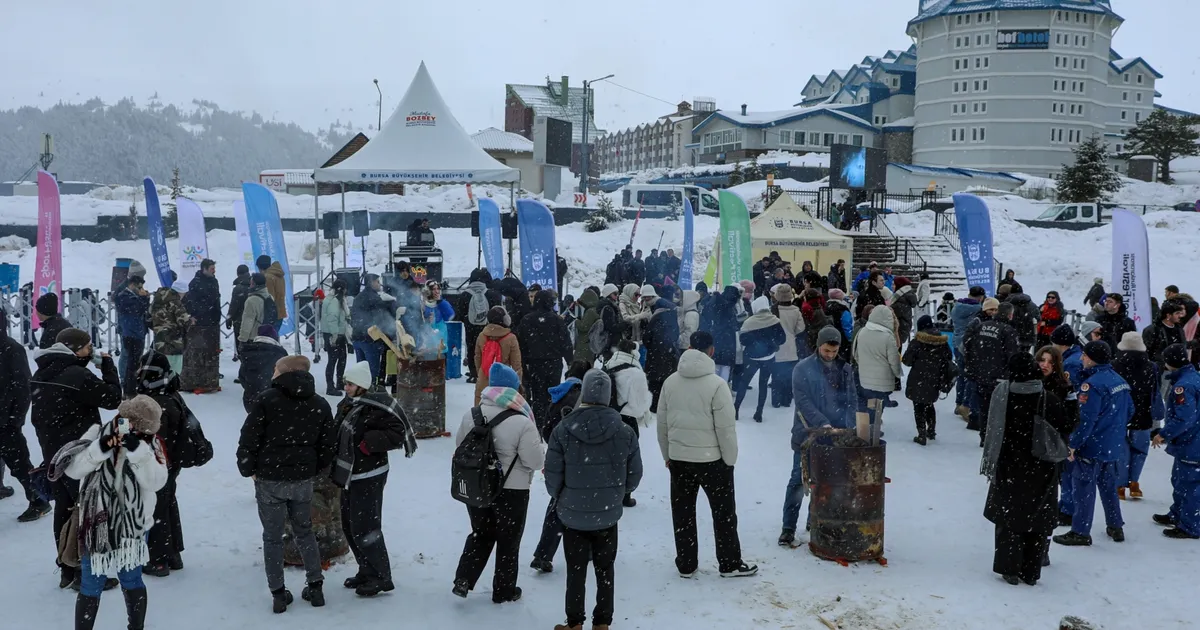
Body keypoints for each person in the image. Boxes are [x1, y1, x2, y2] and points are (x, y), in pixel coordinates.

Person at [56, 395, 168, 630]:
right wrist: (101, 447)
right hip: (96, 524)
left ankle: (136, 627)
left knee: (131, 579)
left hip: (134, 527)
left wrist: (139, 452)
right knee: (91, 582)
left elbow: (156, 481)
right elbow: (74, 471)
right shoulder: (97, 432)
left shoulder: (151, 443)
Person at [236, 354, 336, 612]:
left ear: (284, 372)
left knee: (272, 537)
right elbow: (328, 446)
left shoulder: (266, 400)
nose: (272, 374)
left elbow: (249, 439)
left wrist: (248, 469)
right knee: (305, 532)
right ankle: (316, 587)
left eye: (276, 369)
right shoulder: (320, 404)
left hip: (270, 479)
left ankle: (278, 594)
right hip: (302, 480)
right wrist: (312, 468)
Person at [545, 369, 643, 630]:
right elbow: (634, 476)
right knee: (605, 569)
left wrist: (563, 496)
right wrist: (617, 494)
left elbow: (553, 476)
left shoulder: (563, 429)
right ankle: (602, 623)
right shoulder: (624, 431)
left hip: (572, 514)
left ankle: (575, 623)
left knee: (575, 571)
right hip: (608, 514)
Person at [657, 331, 756, 578]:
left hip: (679, 459)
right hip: (712, 461)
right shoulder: (717, 385)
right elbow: (726, 429)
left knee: (683, 513)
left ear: (689, 348)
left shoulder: (670, 382)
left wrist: (667, 454)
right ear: (711, 351)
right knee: (723, 513)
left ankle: (686, 563)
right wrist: (729, 460)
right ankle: (729, 562)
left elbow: (662, 425)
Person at [31, 328, 122, 589]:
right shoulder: (77, 375)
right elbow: (113, 398)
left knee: (64, 507)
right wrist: (108, 368)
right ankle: (86, 574)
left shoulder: (43, 372)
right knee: (87, 510)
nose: (90, 351)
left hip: (53, 453)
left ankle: (66, 569)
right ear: (76, 350)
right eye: (87, 347)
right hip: (80, 453)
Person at [452, 363, 543, 602]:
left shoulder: (471, 415)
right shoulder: (522, 421)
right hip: (512, 491)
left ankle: (464, 578)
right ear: (514, 389)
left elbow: (460, 446)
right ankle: (503, 590)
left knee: (481, 533)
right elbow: (534, 461)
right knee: (508, 540)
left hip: (478, 486)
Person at [981, 354, 1072, 586]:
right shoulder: (1048, 399)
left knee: (1009, 518)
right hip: (1041, 466)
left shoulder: (1002, 395)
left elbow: (989, 426)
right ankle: (1031, 570)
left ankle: (1009, 567)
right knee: (1037, 517)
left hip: (1009, 465)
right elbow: (1067, 424)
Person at [333, 361, 417, 596]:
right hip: (350, 474)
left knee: (366, 527)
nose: (346, 388)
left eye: (349, 384)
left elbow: (397, 433)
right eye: (345, 383)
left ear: (360, 385)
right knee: (350, 524)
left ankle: (381, 576)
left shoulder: (378, 406)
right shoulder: (349, 403)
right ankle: (366, 569)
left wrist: (368, 444)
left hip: (369, 474)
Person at [782, 327, 857, 546]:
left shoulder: (845, 369)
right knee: (798, 480)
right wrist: (822, 422)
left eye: (834, 352)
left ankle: (814, 519)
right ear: (819, 346)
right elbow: (803, 402)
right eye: (826, 351)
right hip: (808, 434)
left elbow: (851, 399)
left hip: (837, 436)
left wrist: (850, 425)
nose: (830, 355)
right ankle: (788, 527)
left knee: (826, 481)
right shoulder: (802, 368)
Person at [1054, 341, 1132, 547]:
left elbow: (1086, 420)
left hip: (1093, 446)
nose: (1081, 358)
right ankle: (1115, 525)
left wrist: (1073, 444)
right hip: (1113, 445)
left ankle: (1080, 531)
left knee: (1084, 489)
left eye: (1085, 355)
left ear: (1092, 357)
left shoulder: (1093, 385)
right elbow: (1130, 411)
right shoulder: (1120, 381)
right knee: (1108, 487)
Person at [530, 361, 591, 574]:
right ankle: (590, 550)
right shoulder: (587, 398)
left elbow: (546, 429)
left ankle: (543, 554)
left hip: (562, 459)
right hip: (585, 460)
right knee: (590, 502)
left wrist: (558, 449)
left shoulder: (559, 395)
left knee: (557, 505)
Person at [135, 352, 189, 577]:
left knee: (156, 508)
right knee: (167, 504)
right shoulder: (171, 393)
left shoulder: (152, 401)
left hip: (158, 463)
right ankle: (173, 553)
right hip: (172, 461)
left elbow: (151, 436)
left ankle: (158, 559)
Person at [0, 307, 45, 522]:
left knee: (19, 462)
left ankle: (39, 500)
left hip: (5, 419)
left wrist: (14, 419)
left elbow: (23, 388)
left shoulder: (11, 349)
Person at [1152, 344, 1200, 539]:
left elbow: (1184, 417)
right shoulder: (1193, 378)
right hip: (1191, 442)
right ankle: (1178, 514)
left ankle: (1190, 525)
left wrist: (1164, 434)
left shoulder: (1183, 386)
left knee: (1189, 484)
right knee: (1180, 479)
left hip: (1192, 443)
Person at [1112, 332, 1163, 500]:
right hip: (1144, 413)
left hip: (1120, 412)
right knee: (1140, 450)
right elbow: (1156, 391)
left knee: (1120, 448)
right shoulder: (1152, 366)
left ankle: (1119, 485)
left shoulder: (1114, 365)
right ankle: (1134, 483)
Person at [603, 339, 652, 507]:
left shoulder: (607, 365)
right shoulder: (636, 373)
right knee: (627, 459)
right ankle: (625, 495)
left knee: (606, 457)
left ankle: (604, 490)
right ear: (634, 352)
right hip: (627, 420)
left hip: (608, 417)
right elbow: (639, 406)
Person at [963, 300, 1020, 443]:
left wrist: (973, 367)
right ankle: (994, 437)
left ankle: (984, 435)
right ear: (1009, 315)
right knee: (998, 409)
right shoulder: (1008, 331)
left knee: (984, 406)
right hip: (999, 376)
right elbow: (1012, 356)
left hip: (981, 373)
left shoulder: (981, 326)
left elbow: (969, 346)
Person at [517, 290, 574, 431]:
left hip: (534, 364)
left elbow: (521, 345)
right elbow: (566, 343)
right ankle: (551, 423)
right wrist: (570, 362)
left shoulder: (527, 319)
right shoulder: (556, 320)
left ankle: (538, 425)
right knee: (553, 394)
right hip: (554, 363)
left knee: (537, 396)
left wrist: (523, 364)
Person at [903, 315, 956, 445]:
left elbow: (907, 361)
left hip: (918, 378)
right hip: (935, 378)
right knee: (929, 404)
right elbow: (949, 358)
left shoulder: (917, 341)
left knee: (918, 406)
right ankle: (931, 430)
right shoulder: (942, 341)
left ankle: (921, 434)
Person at [853, 305, 903, 442]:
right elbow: (894, 360)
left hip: (864, 378)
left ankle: (863, 430)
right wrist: (897, 374)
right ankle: (874, 431)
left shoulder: (862, 332)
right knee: (876, 406)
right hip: (882, 380)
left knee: (864, 404)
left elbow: (856, 355)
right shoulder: (888, 337)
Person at [734, 296, 785, 423]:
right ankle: (759, 412)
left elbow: (743, 340)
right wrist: (771, 343)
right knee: (763, 384)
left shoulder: (749, 321)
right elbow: (782, 339)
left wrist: (755, 341)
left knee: (744, 382)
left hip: (751, 358)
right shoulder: (775, 320)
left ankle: (736, 409)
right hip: (769, 358)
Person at [349, 274, 398, 387]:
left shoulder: (358, 297)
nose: (379, 284)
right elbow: (382, 318)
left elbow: (354, 316)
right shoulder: (374, 298)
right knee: (372, 373)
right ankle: (372, 395)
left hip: (357, 338)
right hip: (369, 339)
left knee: (361, 371)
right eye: (377, 281)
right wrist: (392, 304)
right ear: (371, 282)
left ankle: (361, 393)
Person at [180, 259, 222, 393]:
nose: (214, 271)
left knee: (211, 354)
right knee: (196, 354)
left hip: (212, 324)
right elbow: (192, 303)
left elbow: (216, 301)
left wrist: (216, 316)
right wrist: (197, 316)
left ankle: (210, 382)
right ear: (204, 269)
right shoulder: (195, 283)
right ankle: (193, 383)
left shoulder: (214, 281)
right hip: (199, 324)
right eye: (211, 268)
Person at [457, 269, 501, 384]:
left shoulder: (464, 295)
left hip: (470, 327)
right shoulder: (493, 294)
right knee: (487, 349)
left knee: (472, 349)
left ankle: (474, 373)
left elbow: (460, 314)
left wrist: (468, 320)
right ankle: (487, 372)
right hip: (487, 328)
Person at [474, 306, 523, 405]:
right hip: (504, 381)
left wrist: (481, 373)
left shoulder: (482, 336)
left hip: (484, 379)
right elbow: (516, 364)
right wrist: (518, 382)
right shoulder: (511, 338)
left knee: (481, 410)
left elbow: (477, 357)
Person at [950, 287, 986, 419]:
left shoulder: (957, 306)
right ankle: (965, 405)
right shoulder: (977, 309)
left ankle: (958, 403)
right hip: (968, 345)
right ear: (980, 297)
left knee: (961, 375)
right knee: (970, 376)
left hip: (956, 341)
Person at [641, 291, 680, 413]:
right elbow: (676, 336)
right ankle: (665, 404)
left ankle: (653, 405)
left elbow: (646, 337)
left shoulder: (656, 318)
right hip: (670, 355)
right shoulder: (673, 318)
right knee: (666, 381)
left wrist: (652, 347)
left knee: (654, 381)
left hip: (655, 355)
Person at [114, 274, 151, 398]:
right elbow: (138, 309)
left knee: (135, 362)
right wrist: (144, 298)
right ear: (132, 285)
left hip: (137, 332)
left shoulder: (131, 296)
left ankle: (131, 387)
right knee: (131, 362)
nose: (141, 289)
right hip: (131, 334)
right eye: (139, 287)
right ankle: (128, 389)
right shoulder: (124, 297)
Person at [237, 325, 289, 412]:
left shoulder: (248, 353)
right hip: (275, 400)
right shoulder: (280, 355)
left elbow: (242, 377)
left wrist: (251, 389)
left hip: (251, 400)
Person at [771, 284, 806, 409]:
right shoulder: (795, 310)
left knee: (776, 376)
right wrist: (792, 334)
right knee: (789, 376)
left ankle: (776, 400)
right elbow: (801, 328)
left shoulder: (773, 310)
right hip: (791, 346)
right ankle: (786, 400)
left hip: (776, 347)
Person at [149, 280, 191, 377]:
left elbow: (149, 316)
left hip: (159, 341)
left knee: (161, 369)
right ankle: (171, 388)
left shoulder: (157, 299)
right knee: (174, 370)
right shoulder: (176, 302)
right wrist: (190, 320)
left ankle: (160, 387)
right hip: (173, 342)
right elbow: (184, 321)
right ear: (181, 292)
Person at [319, 279, 351, 396]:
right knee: (333, 359)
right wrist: (335, 335)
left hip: (338, 333)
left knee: (342, 358)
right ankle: (330, 386)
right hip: (333, 333)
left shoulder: (337, 299)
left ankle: (339, 382)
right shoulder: (334, 301)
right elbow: (332, 318)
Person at [1144, 300, 1187, 369]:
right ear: (1168, 315)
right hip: (1160, 368)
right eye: (1177, 313)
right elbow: (1147, 350)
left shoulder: (1179, 328)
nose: (1180, 316)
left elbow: (1181, 345)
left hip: (1178, 368)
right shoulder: (1153, 329)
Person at [238, 273, 277, 343]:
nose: (250, 286)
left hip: (254, 338)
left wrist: (243, 338)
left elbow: (247, 321)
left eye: (251, 283)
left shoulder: (251, 301)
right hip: (267, 336)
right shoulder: (270, 297)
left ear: (254, 285)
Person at [227, 264, 252, 360]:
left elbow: (234, 306)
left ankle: (244, 367)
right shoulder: (254, 285)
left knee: (241, 347)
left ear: (237, 274)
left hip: (239, 321)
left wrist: (229, 318)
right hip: (253, 321)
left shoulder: (238, 288)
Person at [1006, 286, 1039, 354]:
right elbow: (1038, 318)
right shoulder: (1031, 304)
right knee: (1025, 356)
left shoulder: (1008, 302)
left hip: (1013, 335)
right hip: (1029, 335)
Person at [257, 255, 289, 324]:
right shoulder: (278, 275)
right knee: (273, 333)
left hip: (271, 314)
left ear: (261, 268)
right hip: (279, 312)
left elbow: (269, 297)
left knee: (267, 334)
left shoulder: (268, 278)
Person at [891, 277, 919, 345]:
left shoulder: (901, 299)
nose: (892, 286)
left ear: (899, 286)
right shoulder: (901, 297)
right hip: (901, 329)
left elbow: (892, 312)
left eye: (894, 284)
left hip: (899, 331)